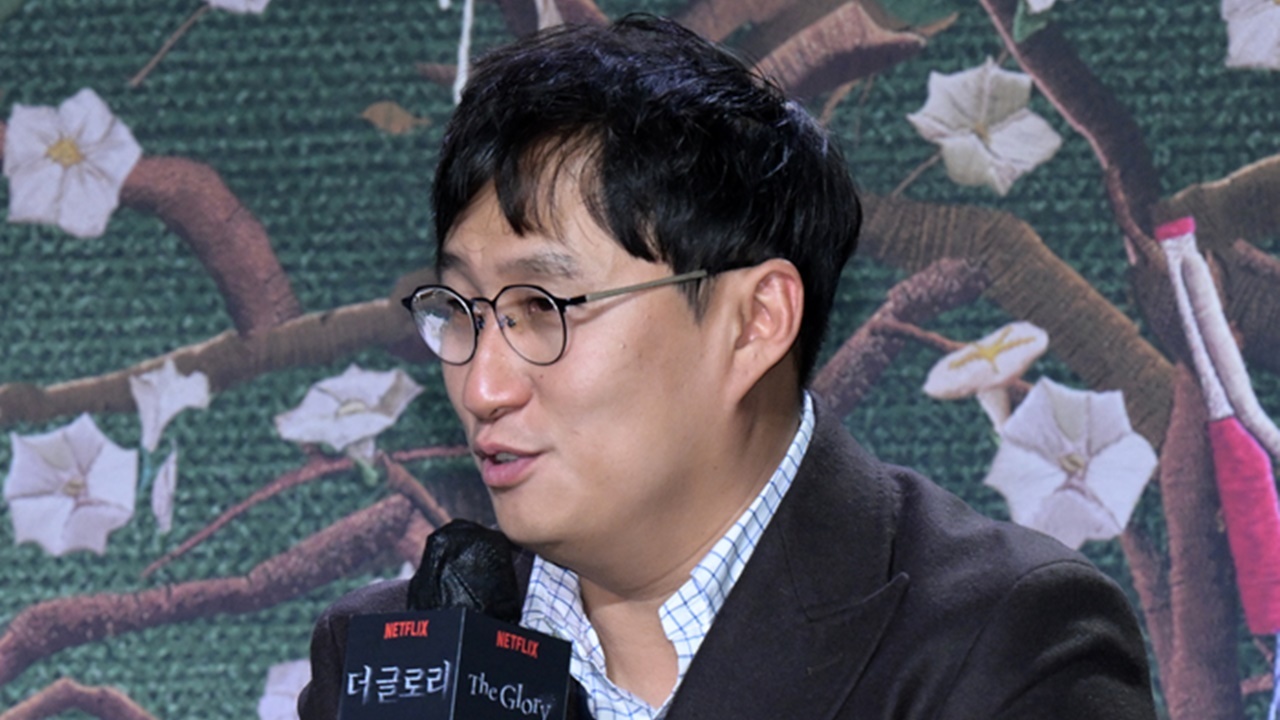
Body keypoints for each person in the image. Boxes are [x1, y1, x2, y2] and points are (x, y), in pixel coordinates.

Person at [299, 14, 1157, 720]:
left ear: (755, 323)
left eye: (543, 308)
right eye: (462, 311)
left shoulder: (1002, 645)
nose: (484, 387)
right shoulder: (385, 663)